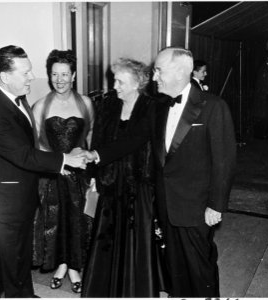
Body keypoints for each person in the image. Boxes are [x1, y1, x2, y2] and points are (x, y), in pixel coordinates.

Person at [84, 47, 236, 297]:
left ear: (178, 71)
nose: (154, 77)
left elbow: (224, 161)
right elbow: (134, 139)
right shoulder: (159, 107)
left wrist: (216, 206)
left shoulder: (213, 106)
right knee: (174, 268)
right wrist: (96, 155)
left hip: (196, 207)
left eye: (159, 71)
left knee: (199, 268)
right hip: (165, 204)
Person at [0, 45, 86, 298]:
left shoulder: (15, 97)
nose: (32, 77)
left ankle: (26, 294)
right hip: (1, 201)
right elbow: (22, 154)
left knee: (19, 256)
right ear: (5, 77)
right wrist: (65, 160)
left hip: (17, 194)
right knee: (9, 263)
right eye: (26, 73)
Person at [82, 58, 168, 297]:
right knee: (106, 237)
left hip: (138, 183)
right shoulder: (109, 104)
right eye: (114, 80)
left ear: (137, 83)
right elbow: (98, 136)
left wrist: (96, 155)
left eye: (120, 81)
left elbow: (134, 140)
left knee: (136, 238)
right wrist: (92, 175)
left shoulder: (151, 106)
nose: (115, 85)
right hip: (109, 180)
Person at [31, 49, 94, 293]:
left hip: (79, 173)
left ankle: (75, 267)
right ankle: (61, 264)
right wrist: (60, 162)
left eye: (65, 74)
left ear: (74, 75)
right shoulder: (41, 105)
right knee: (54, 221)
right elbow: (35, 145)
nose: (59, 79)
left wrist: (83, 161)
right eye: (54, 74)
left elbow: (90, 137)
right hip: (53, 173)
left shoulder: (86, 103)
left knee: (76, 220)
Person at [252, 50, 268, 139]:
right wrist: (266, 93)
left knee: (264, 116)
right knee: (261, 116)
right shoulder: (263, 69)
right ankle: (259, 135)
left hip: (267, 97)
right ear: (267, 58)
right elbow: (263, 84)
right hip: (263, 97)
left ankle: (261, 134)